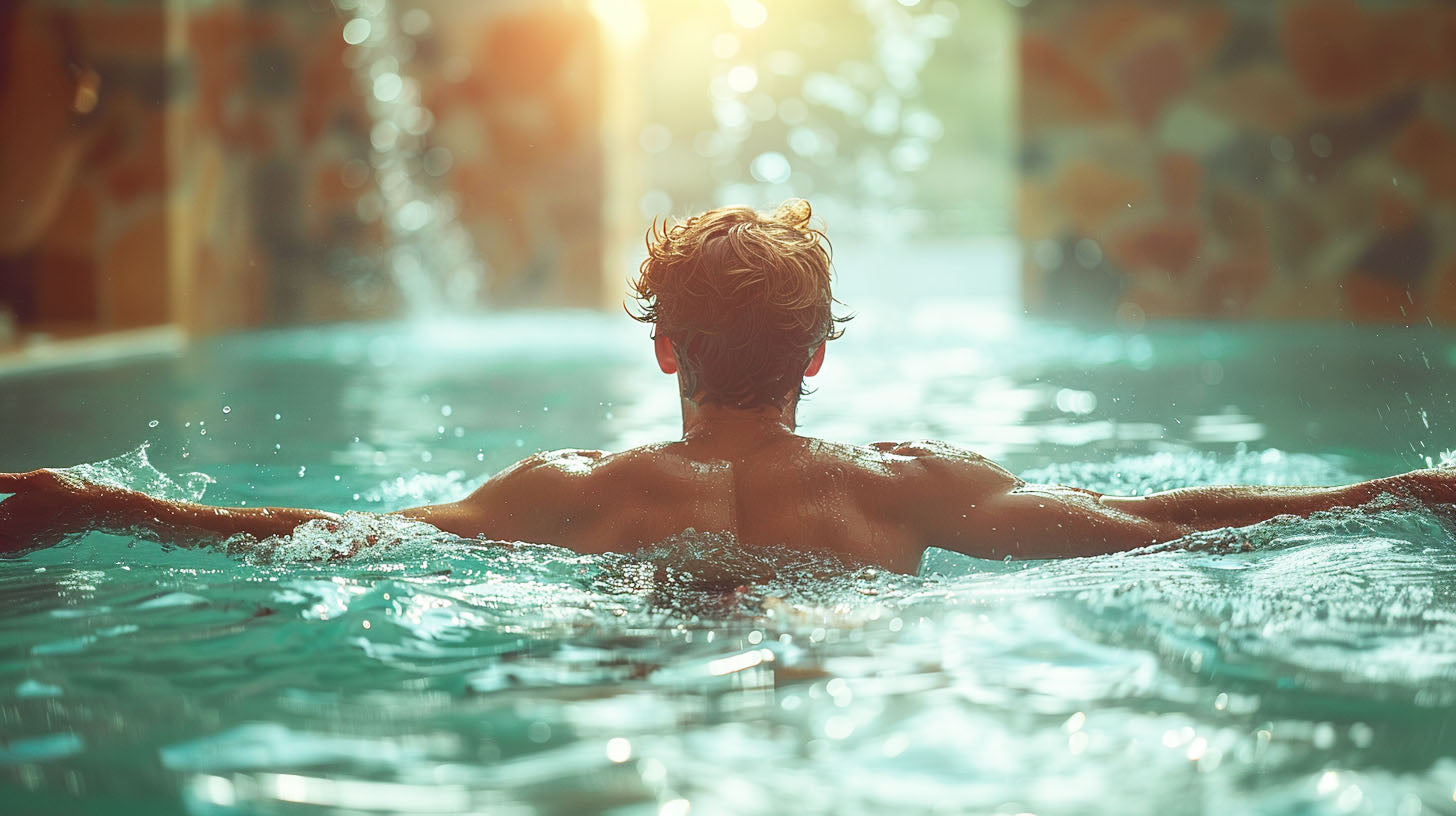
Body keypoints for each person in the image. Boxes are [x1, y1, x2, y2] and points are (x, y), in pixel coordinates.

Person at [1, 200, 1452, 570]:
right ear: (821, 359)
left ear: (661, 352)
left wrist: (101, 496)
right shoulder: (906, 486)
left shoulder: (575, 495)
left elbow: (328, 539)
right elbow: (1160, 526)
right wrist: (1392, 488)